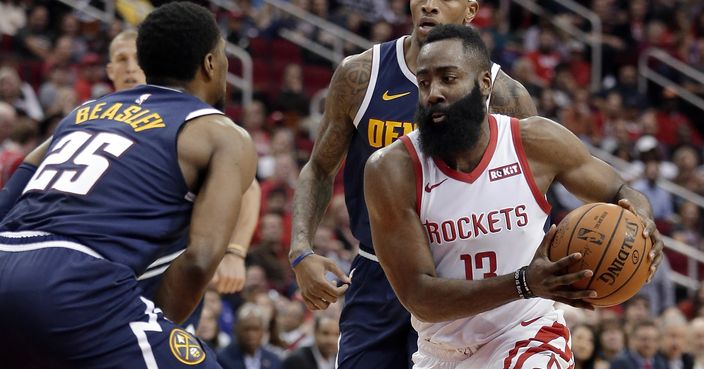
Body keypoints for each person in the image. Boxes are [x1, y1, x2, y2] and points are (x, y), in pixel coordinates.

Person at [363, 24, 663, 369]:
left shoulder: (535, 142)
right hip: (440, 351)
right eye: (425, 82)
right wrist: (524, 282)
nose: (433, 93)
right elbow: (419, 298)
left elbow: (620, 190)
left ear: (484, 84)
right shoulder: (391, 170)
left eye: (448, 78)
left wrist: (641, 218)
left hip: (528, 332)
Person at [0, 3, 257, 368]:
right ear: (211, 63)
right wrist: (143, 322)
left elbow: (20, 180)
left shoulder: (84, 113)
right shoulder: (220, 132)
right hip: (77, 281)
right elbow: (199, 262)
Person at [289, 1, 538, 367]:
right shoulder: (361, 74)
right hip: (377, 273)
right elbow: (318, 169)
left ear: (471, 9)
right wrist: (301, 250)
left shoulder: (503, 95)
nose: (429, 4)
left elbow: (534, 193)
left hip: (460, 279)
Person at [217, 303, 283, 369]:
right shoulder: (222, 358)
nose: (251, 334)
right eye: (246, 329)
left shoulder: (274, 360)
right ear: (237, 330)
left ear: (263, 331)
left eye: (256, 329)